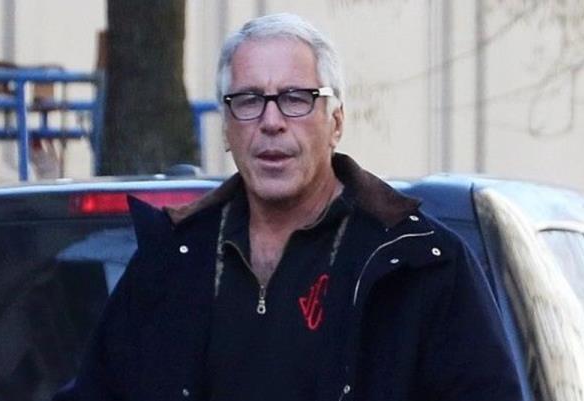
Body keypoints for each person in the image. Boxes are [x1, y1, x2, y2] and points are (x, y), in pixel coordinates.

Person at [55, 13, 524, 401]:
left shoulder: (423, 265)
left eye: (295, 99)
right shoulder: (170, 262)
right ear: (226, 128)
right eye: (248, 101)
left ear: (335, 122)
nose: (271, 121)